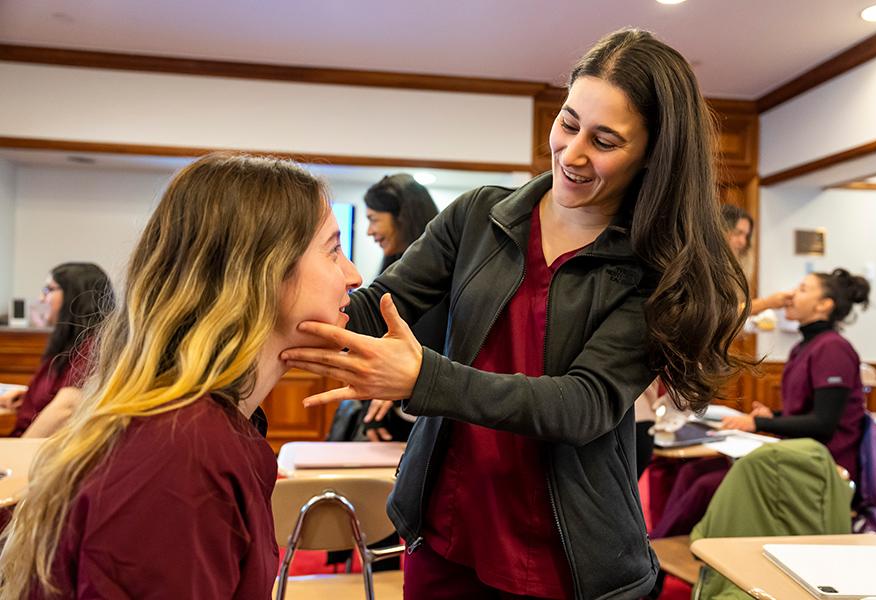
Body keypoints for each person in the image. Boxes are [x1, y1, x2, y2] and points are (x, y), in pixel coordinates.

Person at [282, 29, 749, 600]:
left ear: (652, 153)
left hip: (567, 554)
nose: (572, 153)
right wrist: (277, 294)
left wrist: (423, 378)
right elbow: (378, 309)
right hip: (449, 529)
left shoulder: (655, 270)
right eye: (568, 123)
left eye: (604, 140)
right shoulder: (479, 217)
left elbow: (581, 405)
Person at [0, 153, 362, 598]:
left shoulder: (206, 428)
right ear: (260, 271)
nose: (354, 275)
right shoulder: (182, 451)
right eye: (333, 250)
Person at [651, 268, 870, 538]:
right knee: (692, 472)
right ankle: (658, 554)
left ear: (824, 305)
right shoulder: (804, 347)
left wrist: (758, 422)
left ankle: (656, 562)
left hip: (823, 466)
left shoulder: (833, 348)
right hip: (795, 454)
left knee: (705, 485)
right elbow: (806, 412)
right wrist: (773, 415)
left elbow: (824, 424)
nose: (790, 296)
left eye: (802, 289)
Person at [360, 173, 447, 443]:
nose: (369, 231)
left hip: (427, 419)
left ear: (402, 217)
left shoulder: (441, 275)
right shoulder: (392, 267)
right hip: (395, 418)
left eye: (374, 219)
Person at [0, 263, 112, 438]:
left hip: (33, 453)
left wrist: (16, 451)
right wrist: (29, 397)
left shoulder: (92, 347)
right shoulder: (68, 343)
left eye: (48, 290)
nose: (42, 298)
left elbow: (67, 408)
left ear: (74, 294)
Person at [721, 203, 789, 316]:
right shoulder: (709, 269)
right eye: (738, 233)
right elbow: (723, 314)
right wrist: (767, 303)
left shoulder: (732, 270)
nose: (743, 242)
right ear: (721, 230)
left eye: (746, 236)